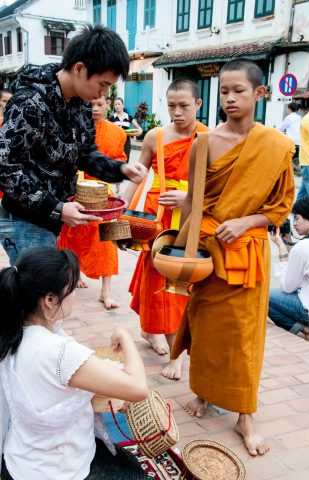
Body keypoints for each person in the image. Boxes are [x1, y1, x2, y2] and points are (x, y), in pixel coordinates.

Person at [171, 60, 295, 456]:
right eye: (224, 91)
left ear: (260, 94)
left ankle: (245, 416)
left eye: (238, 91)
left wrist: (245, 222)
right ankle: (204, 395)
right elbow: (193, 199)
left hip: (248, 255)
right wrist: (179, 249)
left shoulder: (276, 146)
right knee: (205, 328)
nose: (229, 99)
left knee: (244, 337)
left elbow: (280, 206)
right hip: (208, 251)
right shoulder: (204, 142)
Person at [0, 25, 146, 266]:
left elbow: (85, 154)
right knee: (43, 296)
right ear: (79, 68)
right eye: (103, 83)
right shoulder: (30, 102)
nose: (103, 94)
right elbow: (6, 168)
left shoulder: (80, 103)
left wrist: (120, 170)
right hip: (23, 218)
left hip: (53, 215)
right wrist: (56, 207)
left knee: (44, 294)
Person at [0, 247, 148, 479]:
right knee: (131, 470)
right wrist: (125, 336)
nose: (76, 294)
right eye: (72, 287)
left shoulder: (13, 332)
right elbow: (138, 388)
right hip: (58, 469)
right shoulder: (59, 352)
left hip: (20, 458)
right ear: (50, 299)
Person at [125, 78, 209, 380]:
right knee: (157, 282)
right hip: (157, 216)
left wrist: (188, 196)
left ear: (198, 104)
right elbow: (138, 175)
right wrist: (118, 211)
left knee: (183, 282)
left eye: (184, 106)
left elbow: (217, 187)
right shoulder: (154, 136)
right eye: (171, 105)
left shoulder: (210, 138)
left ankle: (164, 338)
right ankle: (169, 346)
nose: (176, 112)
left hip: (191, 217)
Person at [58, 95, 127, 308]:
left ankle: (106, 291)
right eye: (90, 105)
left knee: (108, 242)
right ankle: (74, 275)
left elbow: (120, 160)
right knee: (72, 236)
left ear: (108, 104)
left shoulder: (118, 132)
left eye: (99, 104)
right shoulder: (72, 126)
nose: (95, 109)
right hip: (77, 191)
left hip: (104, 195)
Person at [268, 196, 309, 345]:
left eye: (297, 218)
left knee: (265, 296)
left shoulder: (304, 247)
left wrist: (282, 249)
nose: (294, 223)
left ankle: (308, 331)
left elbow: (287, 286)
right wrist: (288, 239)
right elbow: (305, 261)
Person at [279, 101, 301, 175]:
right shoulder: (299, 117)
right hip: (299, 142)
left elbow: (281, 129)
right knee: (294, 158)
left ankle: (295, 170)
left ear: (289, 109)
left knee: (286, 158)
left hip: (291, 142)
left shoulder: (288, 118)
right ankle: (296, 169)